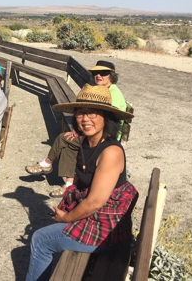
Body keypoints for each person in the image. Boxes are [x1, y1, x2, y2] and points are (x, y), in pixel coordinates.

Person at [26, 84, 138, 281]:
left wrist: (66, 218)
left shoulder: (111, 152)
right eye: (80, 113)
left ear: (106, 116)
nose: (85, 119)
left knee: (40, 240)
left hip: (108, 230)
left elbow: (95, 203)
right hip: (98, 219)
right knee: (45, 233)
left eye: (93, 113)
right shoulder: (87, 142)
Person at [25, 60, 127, 198]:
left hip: (106, 136)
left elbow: (105, 121)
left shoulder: (112, 94)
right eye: (95, 73)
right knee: (68, 139)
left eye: (103, 73)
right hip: (96, 134)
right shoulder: (103, 90)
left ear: (112, 76)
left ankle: (48, 165)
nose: (98, 76)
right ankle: (67, 184)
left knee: (65, 139)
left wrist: (80, 131)